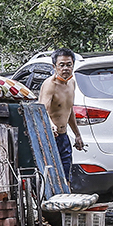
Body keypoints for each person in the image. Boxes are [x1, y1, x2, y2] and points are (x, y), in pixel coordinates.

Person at [38, 47, 86, 182]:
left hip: (63, 137)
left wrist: (77, 135)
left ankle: (66, 199)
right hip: (50, 138)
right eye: (62, 65)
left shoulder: (72, 83)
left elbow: (69, 111)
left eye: (69, 65)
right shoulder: (50, 85)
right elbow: (43, 110)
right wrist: (51, 125)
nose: (65, 68)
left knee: (66, 176)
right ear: (55, 66)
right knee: (52, 177)